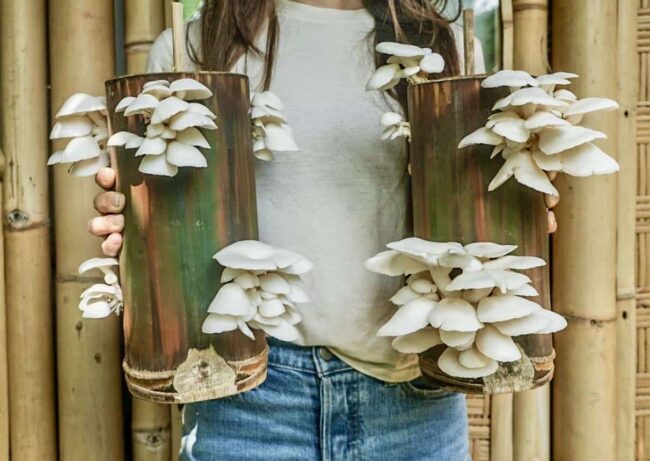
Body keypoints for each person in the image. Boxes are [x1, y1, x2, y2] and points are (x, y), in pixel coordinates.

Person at [90, 1, 483, 459]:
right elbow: (164, 216)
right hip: (247, 395)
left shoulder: (446, 48)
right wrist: (131, 217)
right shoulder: (191, 49)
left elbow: (473, 210)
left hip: (411, 398)